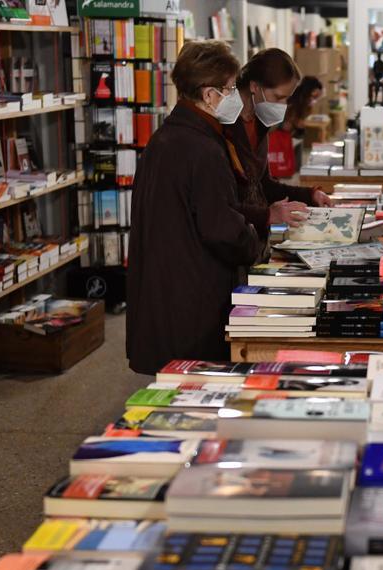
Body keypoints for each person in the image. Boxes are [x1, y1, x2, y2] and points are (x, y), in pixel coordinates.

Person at [126, 40, 265, 373]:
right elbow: (220, 228)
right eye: (230, 89)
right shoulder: (203, 149)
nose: (234, 97)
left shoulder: (164, 139)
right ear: (208, 95)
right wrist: (254, 242)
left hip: (164, 292)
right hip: (194, 297)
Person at [225, 49, 331, 234]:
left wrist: (310, 195)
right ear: (254, 87)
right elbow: (221, 206)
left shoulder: (259, 123)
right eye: (278, 97)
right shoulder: (225, 127)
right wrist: (267, 215)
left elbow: (263, 184)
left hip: (251, 240)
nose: (283, 106)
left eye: (287, 99)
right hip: (232, 238)